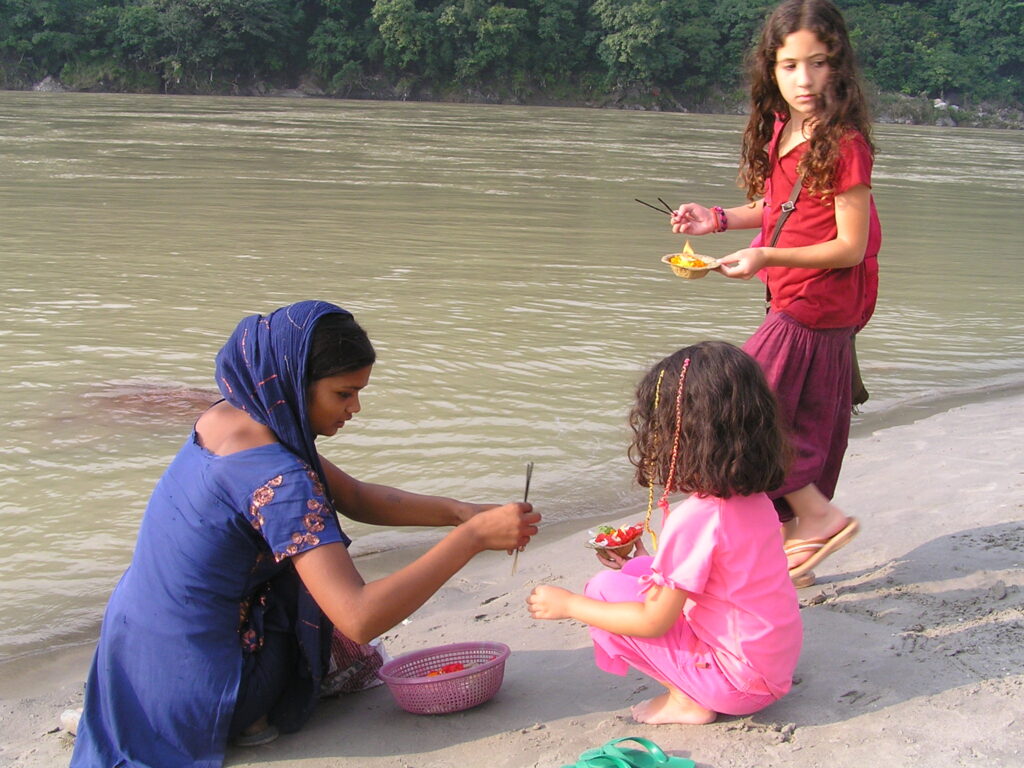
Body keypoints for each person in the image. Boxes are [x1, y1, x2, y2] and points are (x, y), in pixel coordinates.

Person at [70, 300, 540, 768]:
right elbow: (359, 616)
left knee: (309, 553)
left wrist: (462, 512)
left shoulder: (232, 417)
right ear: (296, 383)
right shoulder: (281, 479)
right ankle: (250, 714)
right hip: (199, 693)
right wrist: (473, 538)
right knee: (322, 584)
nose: (355, 408)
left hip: (128, 664)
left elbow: (353, 495)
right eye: (343, 394)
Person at [669, 0, 878, 585]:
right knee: (792, 421)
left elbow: (849, 246)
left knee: (735, 410)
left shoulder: (844, 143)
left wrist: (765, 255)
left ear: (840, 66)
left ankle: (817, 517)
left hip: (817, 306)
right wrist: (716, 219)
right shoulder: (786, 130)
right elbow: (781, 208)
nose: (805, 81)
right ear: (771, 69)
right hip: (792, 301)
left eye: (818, 64)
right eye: (790, 66)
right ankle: (791, 550)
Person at [527, 342, 801, 725]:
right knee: (635, 574)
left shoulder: (700, 517)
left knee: (602, 589)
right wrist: (641, 565)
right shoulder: (755, 501)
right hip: (771, 668)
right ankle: (693, 686)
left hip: (737, 686)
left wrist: (568, 605)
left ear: (679, 435)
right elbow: (725, 576)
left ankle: (685, 699)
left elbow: (652, 622)